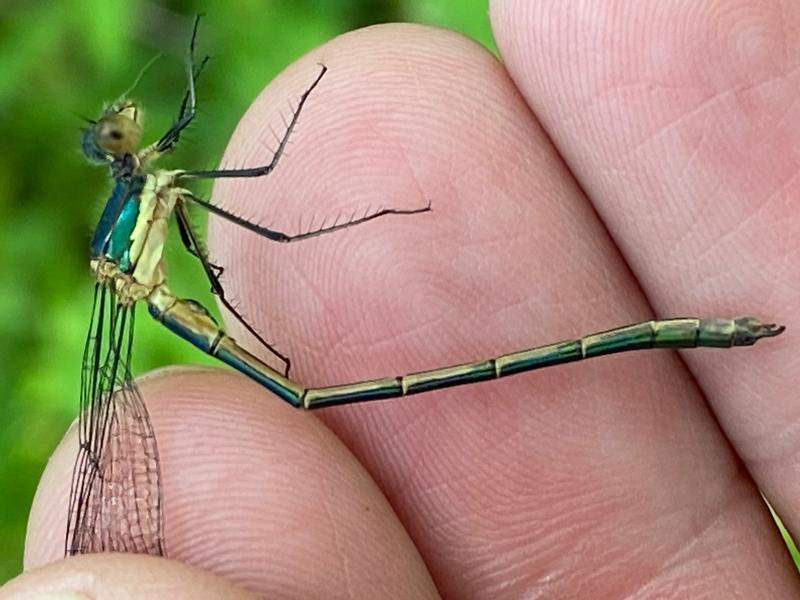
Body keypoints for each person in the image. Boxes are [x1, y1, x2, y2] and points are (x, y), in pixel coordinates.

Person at [5, 3, 797, 598]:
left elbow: (215, 242)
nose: (128, 133)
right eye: (118, 137)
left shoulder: (148, 182)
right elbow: (256, 218)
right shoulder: (145, 204)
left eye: (120, 134)